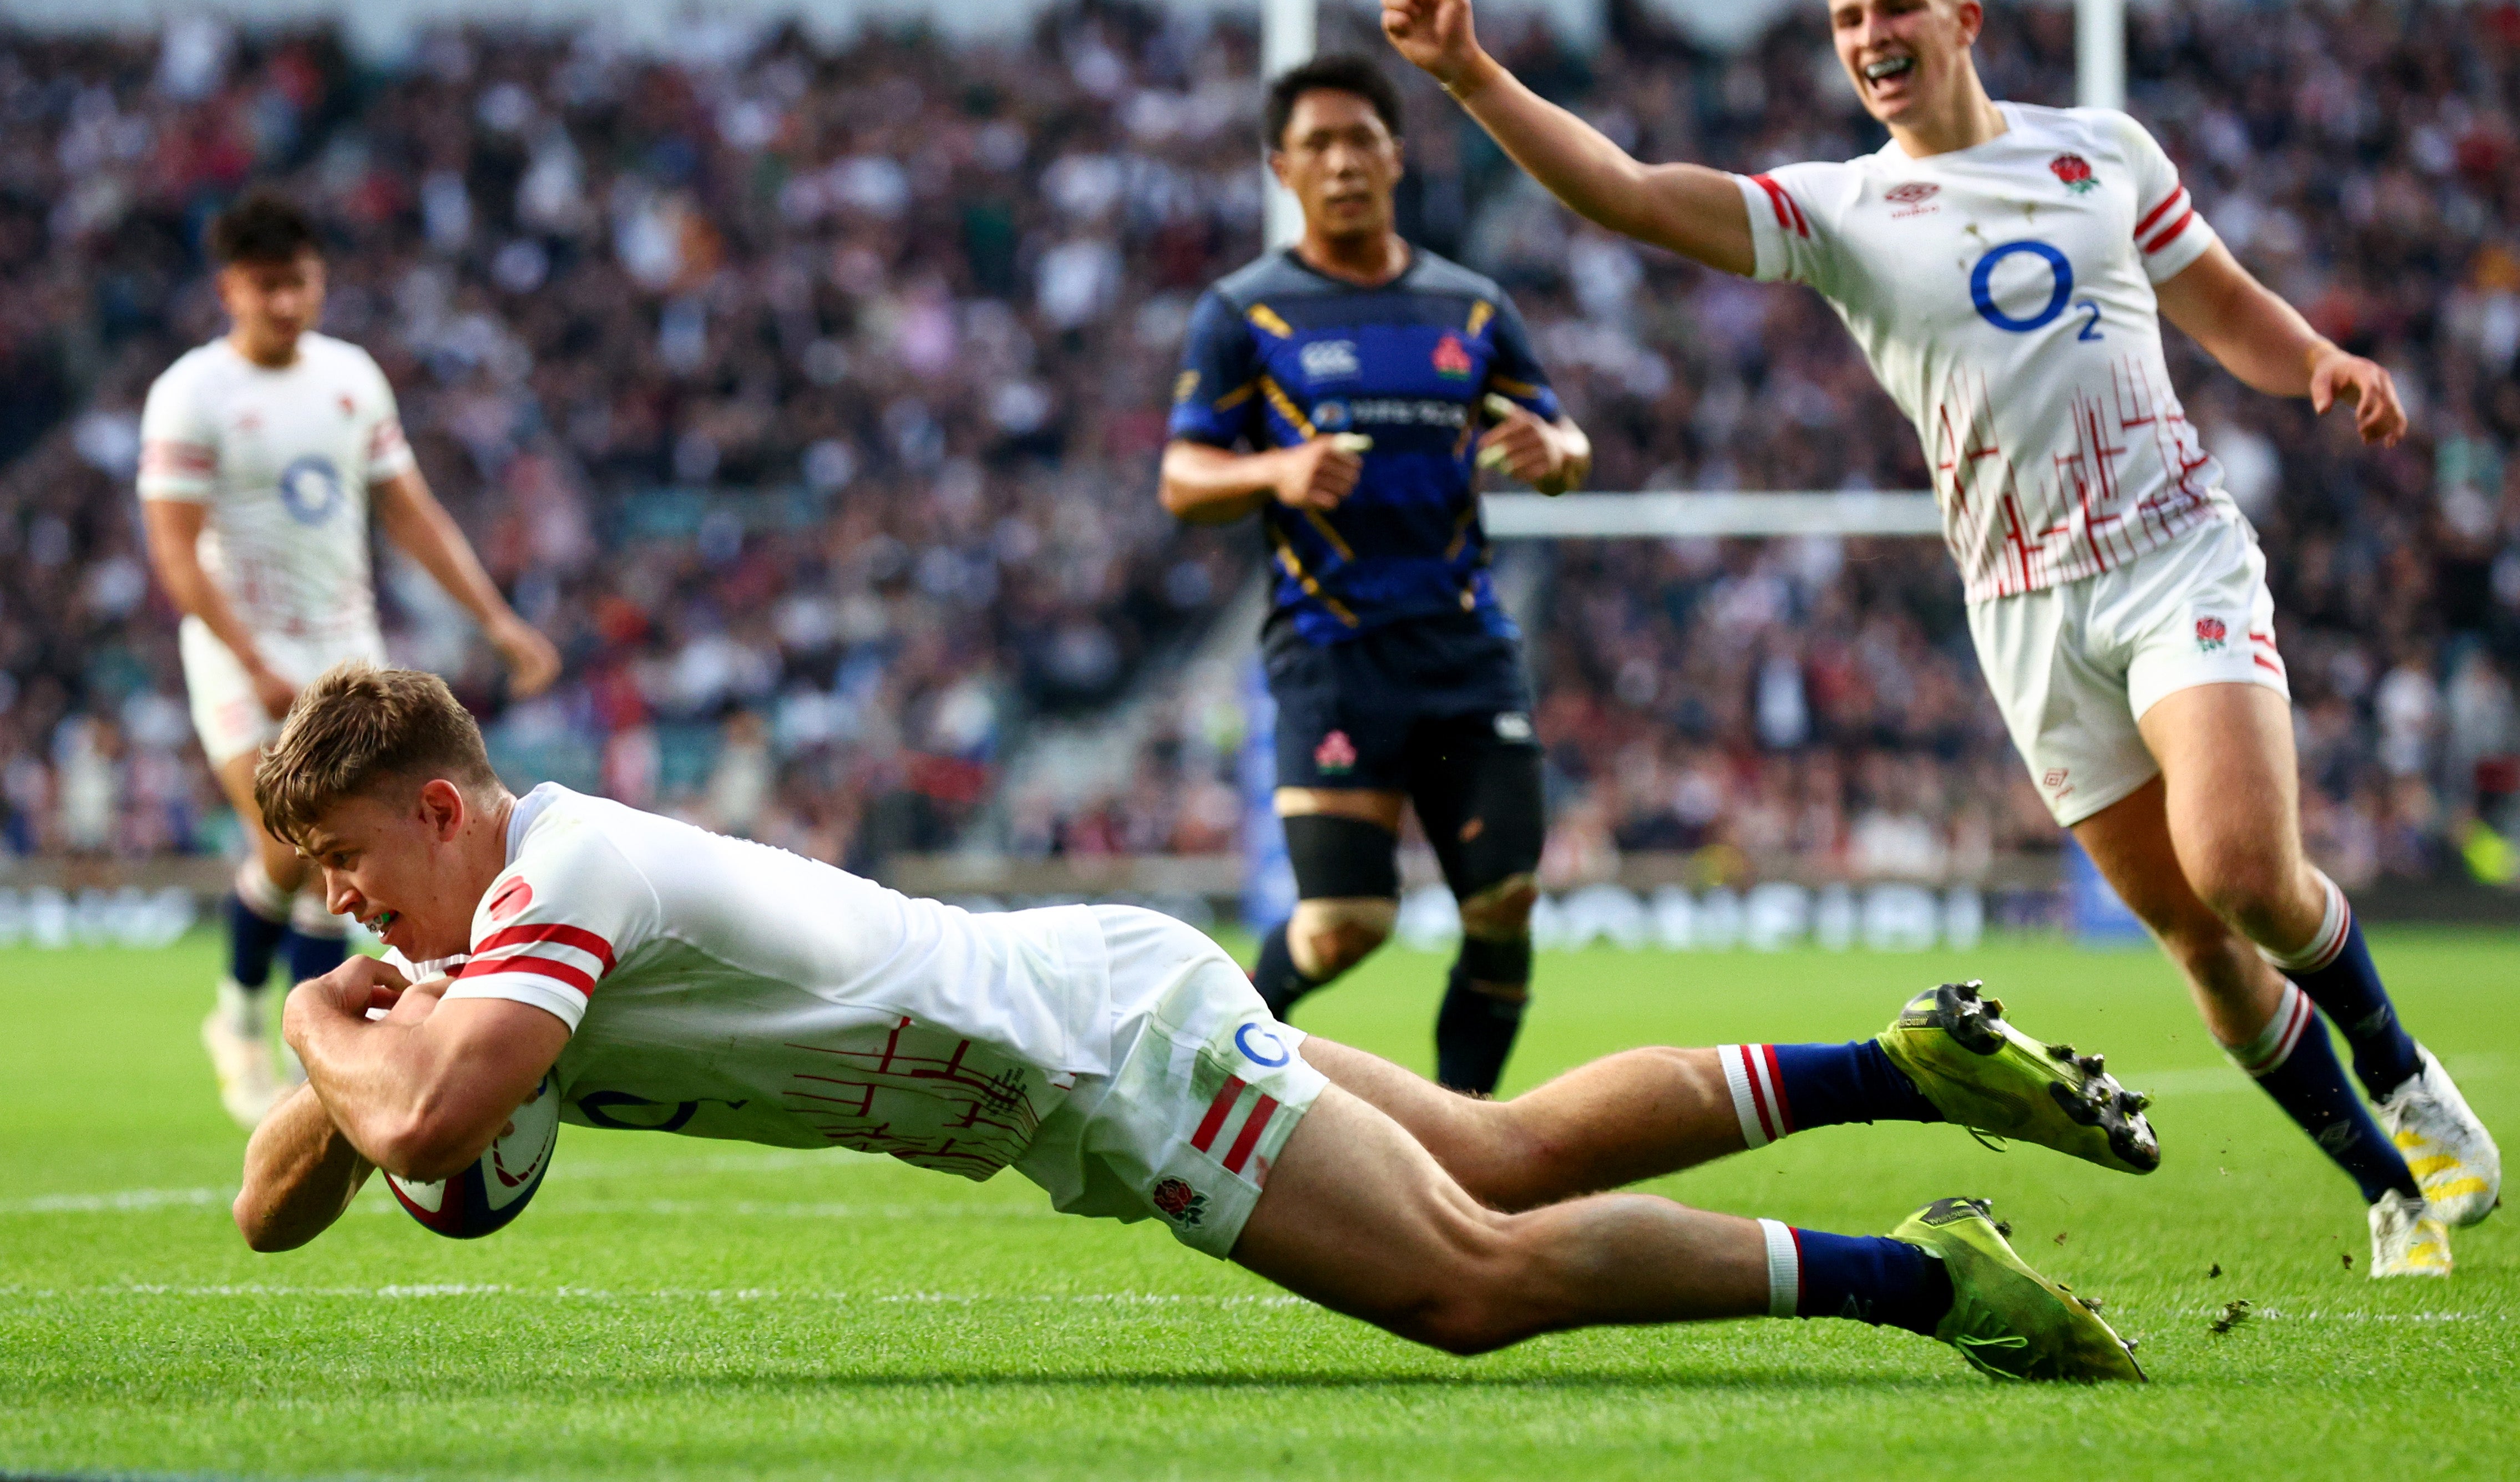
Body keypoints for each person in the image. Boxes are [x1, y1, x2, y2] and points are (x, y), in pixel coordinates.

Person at [1378, 0, 2499, 1275]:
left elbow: (2226, 305)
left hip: (2170, 552)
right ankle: (2393, 1191)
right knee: (2198, 943)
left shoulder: (2102, 152)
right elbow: (1624, 190)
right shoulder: (1841, 210)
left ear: (1964, 19)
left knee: (2243, 869)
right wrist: (1470, 75)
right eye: (1847, 20)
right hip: (2021, 608)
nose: (1869, 37)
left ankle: (2401, 1075)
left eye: (1895, 6)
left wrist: (2318, 357)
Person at [239, 662, 2157, 1382]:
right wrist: (354, 1028)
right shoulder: (468, 941)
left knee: (1467, 1279)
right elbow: (277, 1202)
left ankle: (1921, 1282)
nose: (341, 907)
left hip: (1095, 1051)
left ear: (440, 805)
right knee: (1502, 1154)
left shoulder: (556, 879)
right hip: (1082, 1005)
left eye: (344, 864)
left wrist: (344, 1021)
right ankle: (1891, 1066)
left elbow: (418, 1129)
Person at [1158, 55, 1591, 1096]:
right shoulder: (1244, 313)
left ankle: (1468, 1130)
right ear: (1280, 167)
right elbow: (1181, 477)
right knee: (1347, 924)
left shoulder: (1471, 307)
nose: (1343, 162)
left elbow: (1563, 436)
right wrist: (1277, 468)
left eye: (1362, 139)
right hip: (1332, 649)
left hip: (1464, 647)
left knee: (1506, 901)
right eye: (1317, 144)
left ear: (1397, 155)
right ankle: (1195, 1074)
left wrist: (1557, 456)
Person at [139, 192, 561, 1129]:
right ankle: (243, 1020)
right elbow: (174, 548)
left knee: (347, 862)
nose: (286, 305)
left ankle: (304, 1077)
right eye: (266, 287)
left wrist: (497, 621)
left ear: (320, 280)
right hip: (236, 654)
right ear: (230, 290)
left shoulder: (353, 379)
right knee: (292, 848)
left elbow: (409, 511)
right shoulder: (192, 394)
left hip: (343, 654)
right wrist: (249, 658)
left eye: (300, 283)